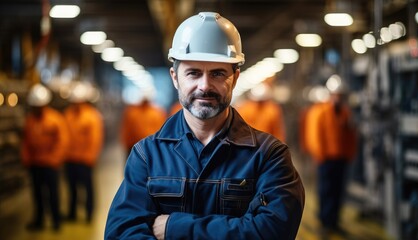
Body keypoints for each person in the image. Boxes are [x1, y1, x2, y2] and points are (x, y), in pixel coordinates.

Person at [105, 12, 305, 240]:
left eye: (218, 74)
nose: (204, 86)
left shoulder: (269, 156)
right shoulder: (147, 155)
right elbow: (121, 233)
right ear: (175, 77)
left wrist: (174, 227)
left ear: (235, 78)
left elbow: (272, 233)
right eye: (193, 73)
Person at [305, 77, 358, 234]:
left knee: (338, 191)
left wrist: (349, 153)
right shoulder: (319, 111)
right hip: (325, 158)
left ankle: (334, 221)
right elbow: (313, 135)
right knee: (325, 190)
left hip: (341, 158)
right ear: (330, 94)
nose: (338, 98)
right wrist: (319, 154)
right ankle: (324, 221)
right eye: (336, 94)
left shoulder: (345, 113)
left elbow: (351, 135)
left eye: (341, 95)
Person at [21, 83, 69, 231]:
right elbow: (26, 141)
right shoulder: (30, 120)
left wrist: (54, 160)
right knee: (37, 195)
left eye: (39, 106)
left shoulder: (55, 119)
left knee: (53, 194)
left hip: (50, 165)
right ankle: (39, 220)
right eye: (34, 106)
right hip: (35, 164)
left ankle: (56, 221)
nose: (37, 109)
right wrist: (27, 158)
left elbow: (62, 141)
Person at [63, 81, 104, 223]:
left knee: (87, 188)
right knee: (72, 187)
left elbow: (95, 139)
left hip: (85, 159)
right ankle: (72, 213)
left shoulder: (91, 116)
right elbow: (64, 136)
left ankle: (89, 213)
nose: (75, 104)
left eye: (77, 102)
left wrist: (90, 157)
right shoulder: (68, 114)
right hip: (70, 158)